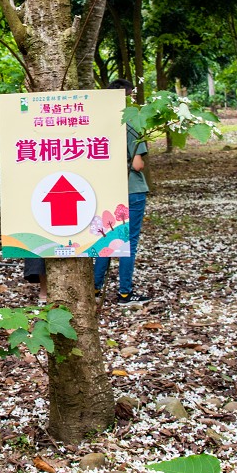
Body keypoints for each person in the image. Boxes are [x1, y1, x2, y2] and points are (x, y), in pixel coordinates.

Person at [94, 78, 152, 306]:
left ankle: (96, 288)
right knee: (128, 241)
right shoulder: (130, 123)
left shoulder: (97, 123)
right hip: (131, 189)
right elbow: (137, 164)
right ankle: (125, 292)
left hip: (106, 187)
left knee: (105, 239)